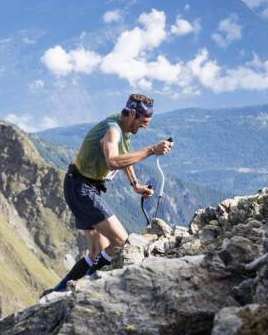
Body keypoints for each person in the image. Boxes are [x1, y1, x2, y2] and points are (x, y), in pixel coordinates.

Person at [42, 94, 173, 297]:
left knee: (97, 251)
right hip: (83, 189)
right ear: (132, 113)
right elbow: (113, 162)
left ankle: (55, 294)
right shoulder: (113, 130)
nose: (146, 126)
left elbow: (123, 157)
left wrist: (135, 185)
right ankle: (81, 291)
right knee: (122, 242)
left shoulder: (123, 126)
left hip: (79, 185)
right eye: (144, 121)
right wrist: (151, 150)